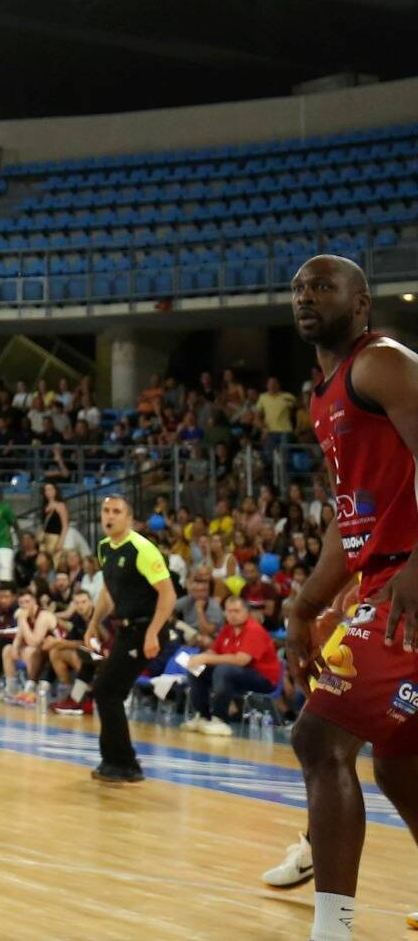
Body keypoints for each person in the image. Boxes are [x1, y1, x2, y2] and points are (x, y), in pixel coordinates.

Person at [255, 255, 418, 939]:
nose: (305, 295)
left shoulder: (379, 362)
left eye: (323, 285)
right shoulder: (324, 394)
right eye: (298, 287)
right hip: (384, 573)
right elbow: (349, 518)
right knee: (402, 759)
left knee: (319, 737)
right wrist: (301, 604)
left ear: (361, 304)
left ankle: (332, 929)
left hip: (409, 577)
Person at [87, 493, 174, 786]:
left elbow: (168, 594)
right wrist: (92, 624)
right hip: (125, 629)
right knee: (107, 691)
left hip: (146, 629)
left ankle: (124, 763)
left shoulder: (143, 549)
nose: (109, 516)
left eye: (116, 511)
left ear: (129, 518)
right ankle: (116, 761)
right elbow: (108, 591)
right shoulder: (104, 548)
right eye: (106, 511)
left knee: (106, 690)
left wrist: (152, 632)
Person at [182, 592, 280, 735]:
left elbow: (241, 660)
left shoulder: (254, 630)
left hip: (263, 678)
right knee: (197, 669)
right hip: (237, 674)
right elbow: (215, 653)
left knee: (223, 670)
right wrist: (198, 658)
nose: (233, 615)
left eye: (237, 611)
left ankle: (220, 719)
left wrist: (207, 659)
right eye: (229, 611)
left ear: (247, 612)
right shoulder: (227, 629)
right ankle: (202, 716)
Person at [39, 480, 69, 556]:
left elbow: (65, 525)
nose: (48, 492)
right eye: (46, 490)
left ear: (55, 490)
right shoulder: (44, 507)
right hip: (45, 538)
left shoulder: (60, 505)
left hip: (55, 537)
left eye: (50, 489)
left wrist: (61, 542)